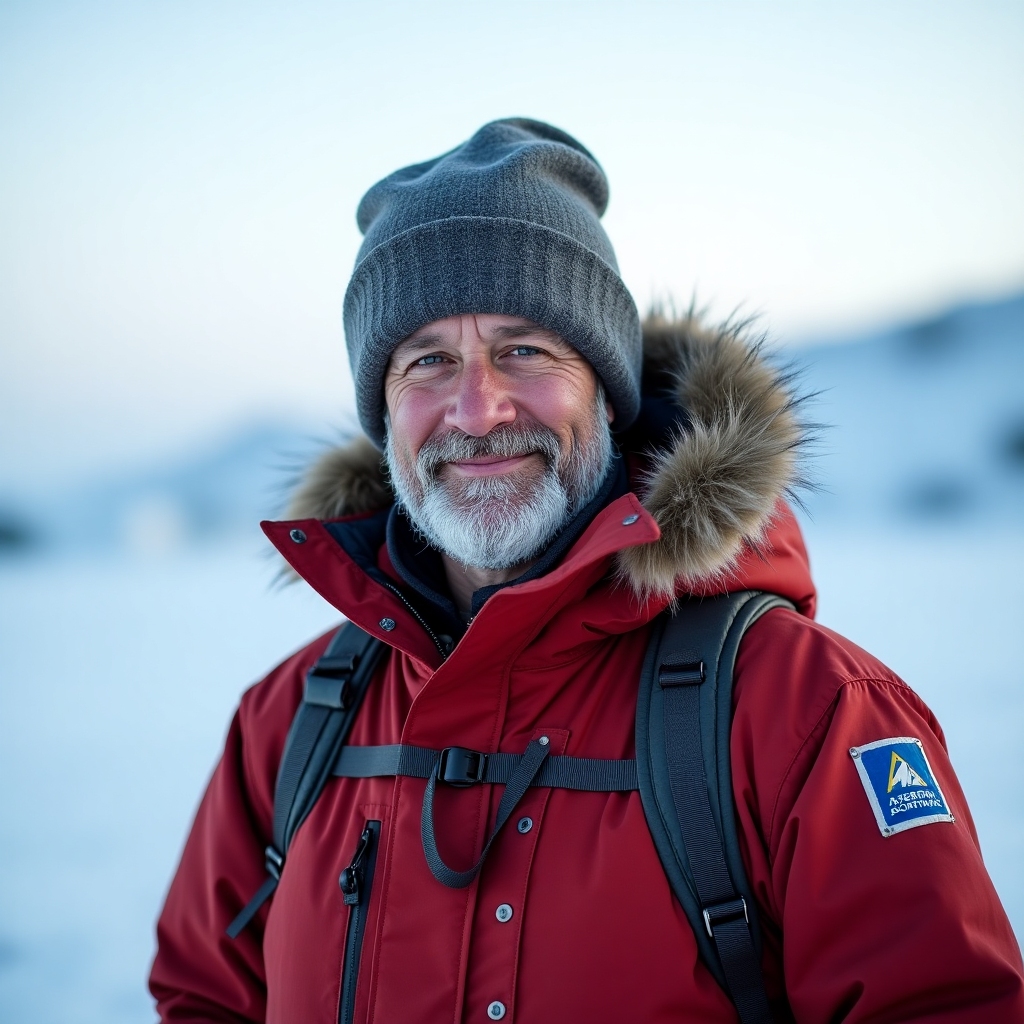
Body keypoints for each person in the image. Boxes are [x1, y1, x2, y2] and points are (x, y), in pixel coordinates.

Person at [150, 119, 1024, 1023]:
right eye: (428, 361)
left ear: (606, 390)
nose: (477, 411)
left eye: (524, 349)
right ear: (384, 412)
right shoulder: (290, 723)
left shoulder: (804, 712)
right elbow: (202, 996)